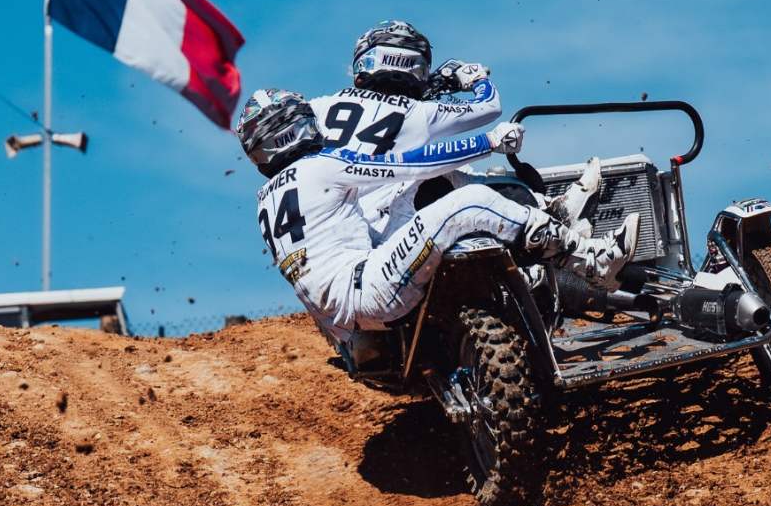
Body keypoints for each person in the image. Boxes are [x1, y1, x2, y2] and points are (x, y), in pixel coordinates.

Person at [239, 89, 638, 333]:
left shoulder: (266, 197)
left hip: (344, 317)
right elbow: (413, 163)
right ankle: (591, 260)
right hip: (370, 289)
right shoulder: (317, 167)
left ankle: (537, 247)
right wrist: (490, 141)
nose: (315, 126)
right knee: (467, 204)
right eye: (302, 119)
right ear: (287, 131)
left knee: (409, 195)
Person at [308, 20, 504, 238]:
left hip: (329, 224)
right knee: (462, 176)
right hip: (388, 223)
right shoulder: (418, 112)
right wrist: (477, 78)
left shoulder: (322, 105)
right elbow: (489, 106)